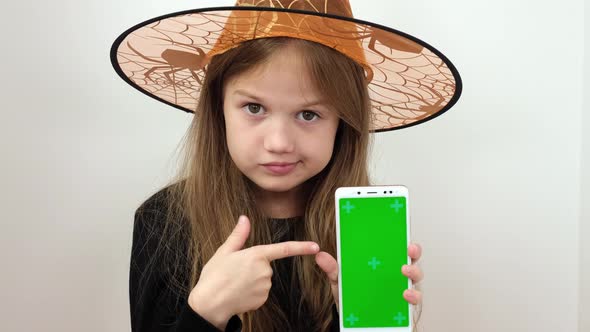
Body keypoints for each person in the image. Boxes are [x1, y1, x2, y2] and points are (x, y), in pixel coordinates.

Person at [111, 1, 461, 331]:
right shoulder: (163, 220)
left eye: (308, 114)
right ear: (219, 108)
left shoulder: (359, 227)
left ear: (343, 123)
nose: (278, 142)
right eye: (254, 108)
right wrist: (206, 313)